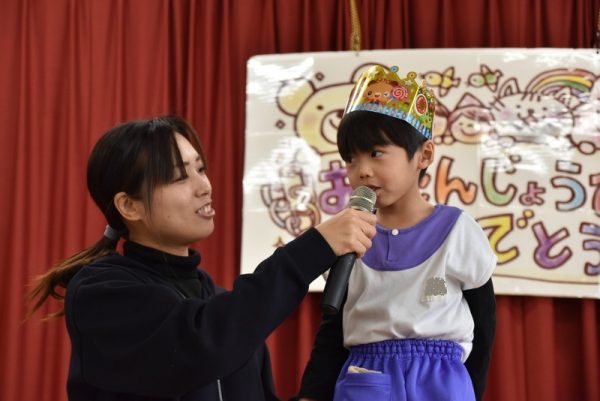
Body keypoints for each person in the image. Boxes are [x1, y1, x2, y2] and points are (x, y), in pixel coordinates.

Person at [26, 115, 377, 401]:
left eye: (200, 168)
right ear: (129, 206)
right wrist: (314, 248)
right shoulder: (101, 293)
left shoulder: (220, 305)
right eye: (180, 176)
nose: (205, 186)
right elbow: (198, 346)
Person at [296, 65, 497, 401]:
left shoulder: (457, 230)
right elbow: (333, 330)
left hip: (440, 384)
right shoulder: (348, 234)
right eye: (351, 158)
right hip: (366, 380)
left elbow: (484, 322)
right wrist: (311, 394)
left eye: (376, 153)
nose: (362, 170)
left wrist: (470, 389)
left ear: (424, 155)